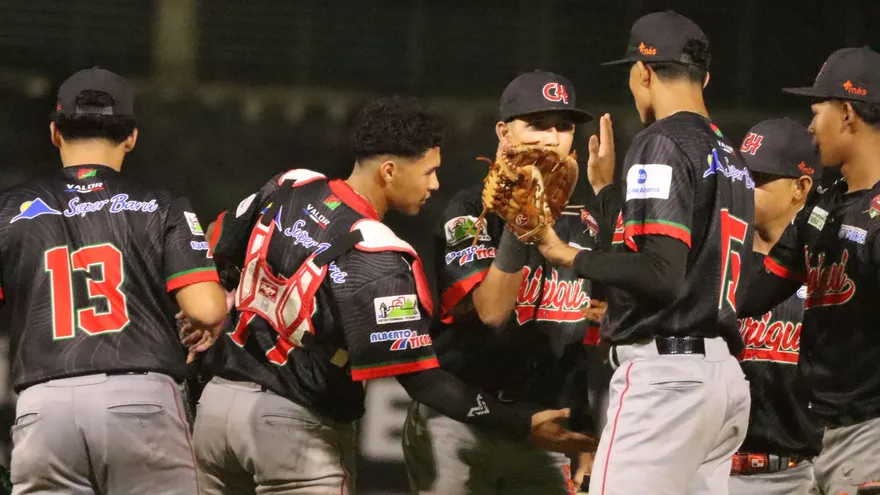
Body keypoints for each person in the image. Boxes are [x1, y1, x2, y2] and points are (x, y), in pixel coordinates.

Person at [193, 97, 598, 495]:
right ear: (389, 171)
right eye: (428, 172)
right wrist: (520, 424)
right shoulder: (379, 255)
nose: (435, 184)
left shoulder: (290, 185)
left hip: (215, 412)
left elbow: (217, 244)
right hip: (292, 426)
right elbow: (423, 381)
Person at [535, 11, 755, 494]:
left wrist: (568, 256)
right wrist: (610, 192)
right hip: (721, 379)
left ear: (644, 72)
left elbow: (661, 272)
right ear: (705, 78)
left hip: (667, 379)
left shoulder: (661, 141)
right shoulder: (732, 156)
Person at [0, 67, 228, 494]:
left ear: (55, 132)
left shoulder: (9, 210)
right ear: (131, 137)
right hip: (139, 401)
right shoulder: (161, 203)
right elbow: (205, 309)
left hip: (42, 407)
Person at [401, 70, 604, 495]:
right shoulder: (470, 211)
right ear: (503, 132)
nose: (551, 139)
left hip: (545, 428)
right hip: (463, 420)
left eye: (563, 127)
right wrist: (519, 224)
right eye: (536, 124)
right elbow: (491, 313)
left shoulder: (586, 222)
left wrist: (584, 437)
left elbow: (585, 341)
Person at [737, 46, 880, 495]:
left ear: (848, 114)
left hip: (870, 433)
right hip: (822, 438)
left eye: (817, 111)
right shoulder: (824, 202)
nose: (811, 127)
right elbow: (756, 292)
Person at [727, 118, 823, 495]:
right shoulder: (717, 263)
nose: (744, 187)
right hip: (716, 471)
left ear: (800, 188)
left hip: (801, 476)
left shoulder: (826, 269)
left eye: (759, 178)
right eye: (741, 175)